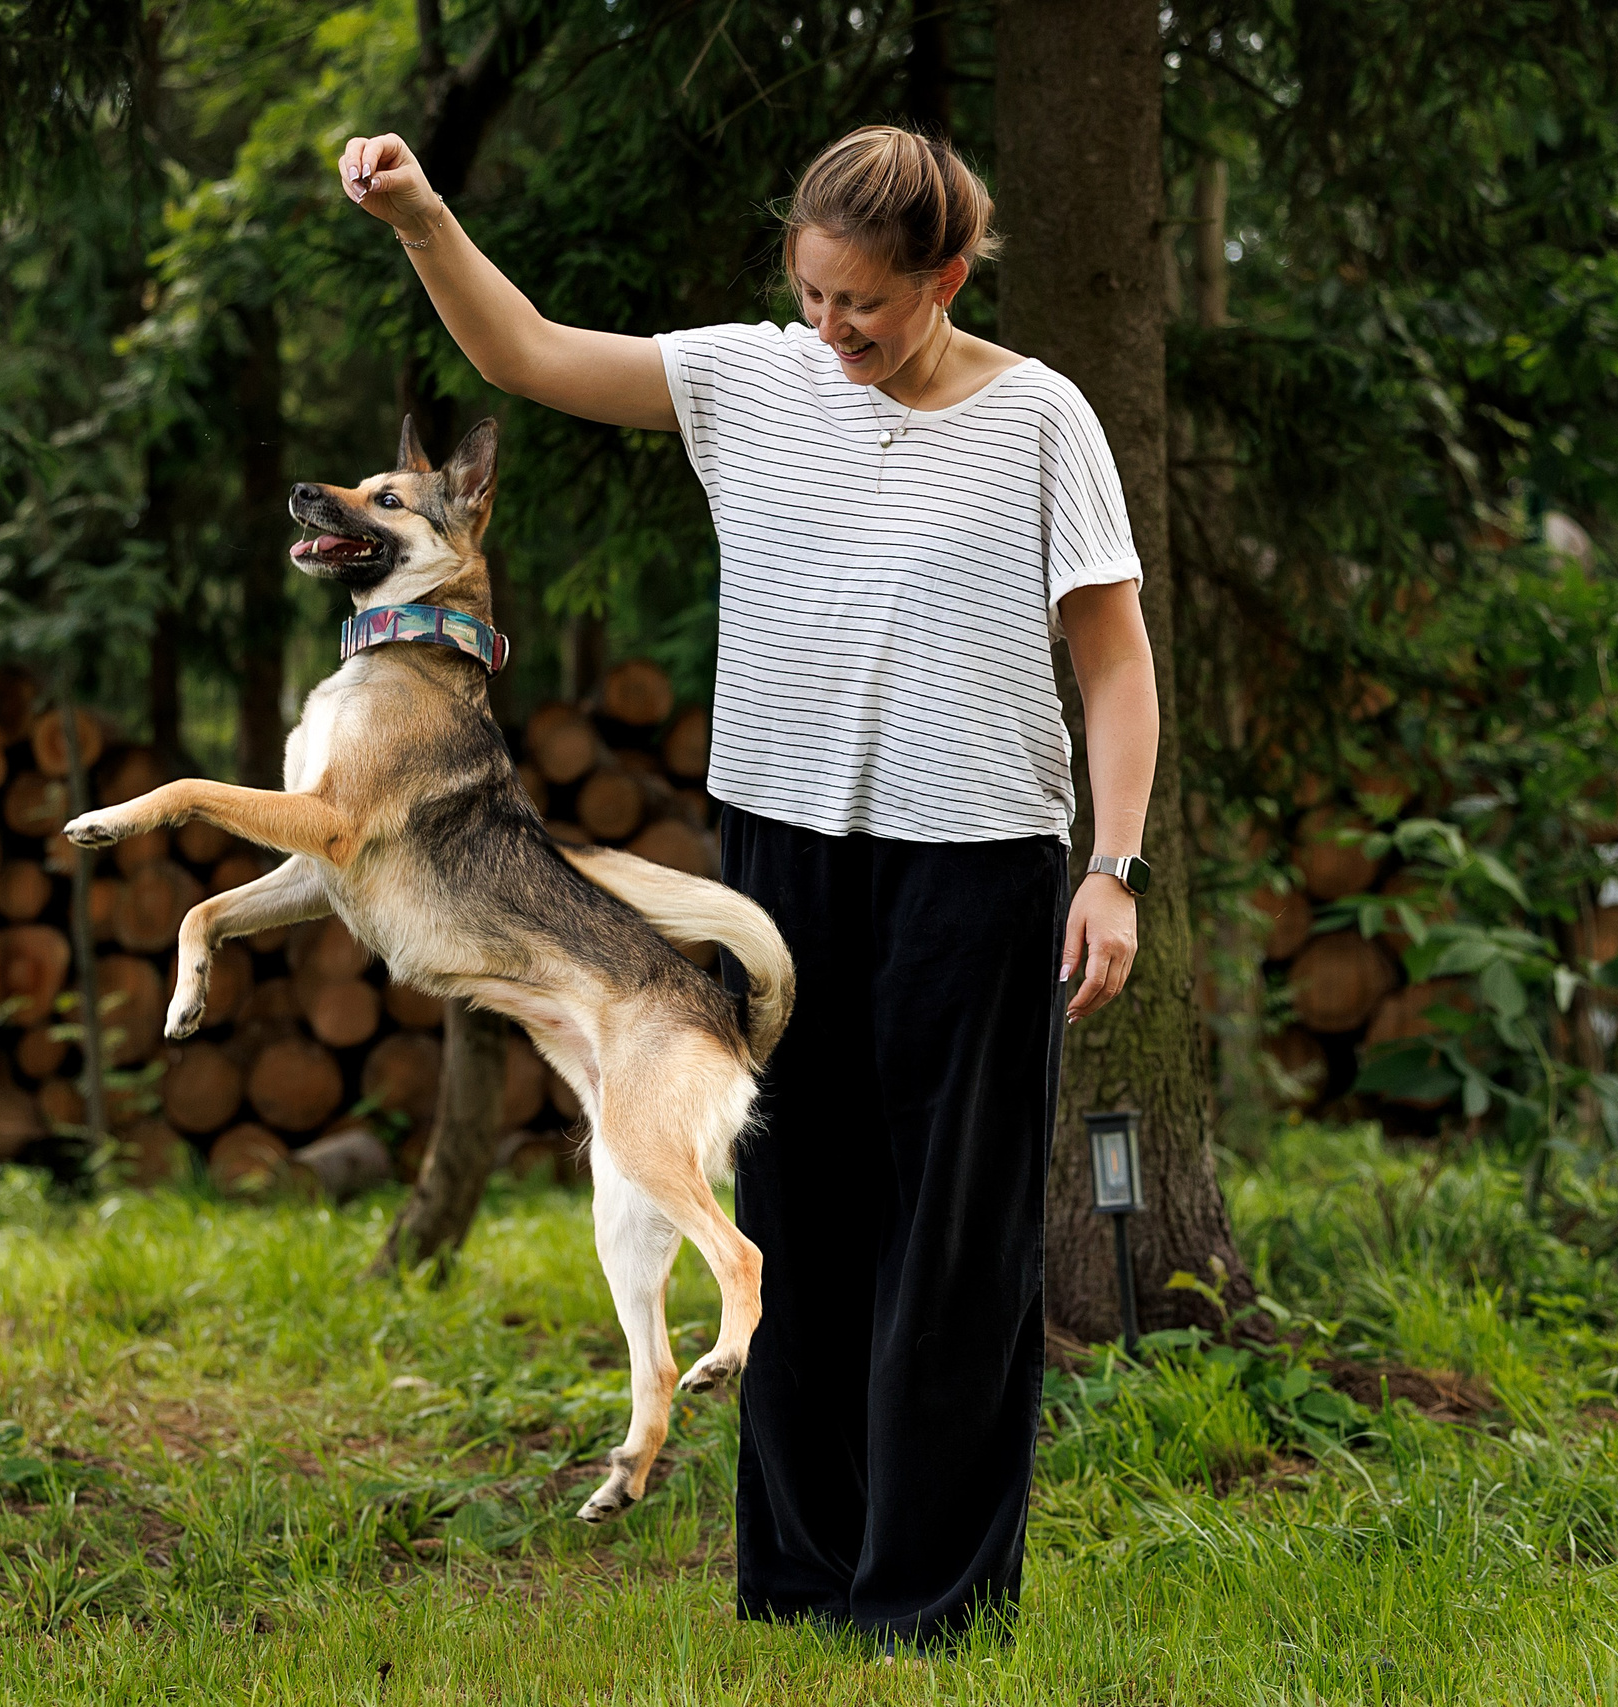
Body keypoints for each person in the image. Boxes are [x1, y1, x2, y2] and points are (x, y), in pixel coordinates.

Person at [334, 122, 1158, 1651]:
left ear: (947, 278)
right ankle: (798, 1581)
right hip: (779, 862)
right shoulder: (750, 376)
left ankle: (926, 1603)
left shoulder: (1042, 420)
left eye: (866, 304)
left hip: (982, 864)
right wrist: (422, 218)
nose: (832, 330)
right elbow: (523, 354)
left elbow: (1113, 661)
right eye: (813, 294)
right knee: (798, 1199)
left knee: (954, 1236)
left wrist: (1111, 868)